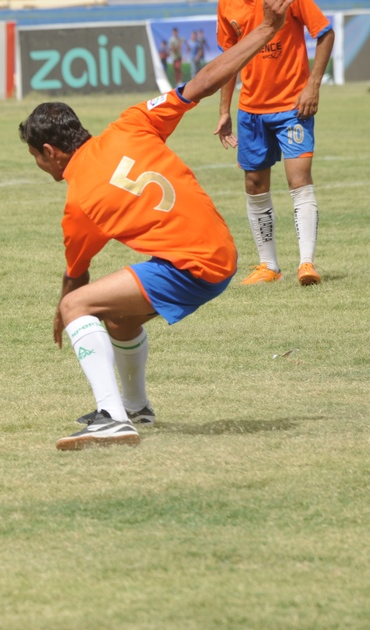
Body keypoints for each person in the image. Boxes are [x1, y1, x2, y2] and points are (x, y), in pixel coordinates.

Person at [17, 0, 293, 450]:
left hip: (192, 265)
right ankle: (137, 408)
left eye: (35, 157)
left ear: (50, 151)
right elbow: (199, 85)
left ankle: (110, 417)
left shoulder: (80, 202)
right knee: (119, 321)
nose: (38, 166)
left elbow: (76, 276)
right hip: (220, 252)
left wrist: (64, 311)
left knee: (79, 309)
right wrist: (264, 31)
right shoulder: (132, 123)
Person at [215, 0, 334, 285]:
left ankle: (306, 263)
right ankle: (269, 266)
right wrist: (223, 111)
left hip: (293, 107)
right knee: (254, 184)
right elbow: (229, 60)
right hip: (251, 111)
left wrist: (313, 85)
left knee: (299, 180)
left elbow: (325, 33)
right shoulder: (226, 5)